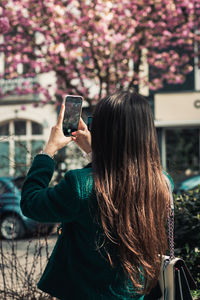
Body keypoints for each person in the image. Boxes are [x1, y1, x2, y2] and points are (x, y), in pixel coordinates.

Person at [20, 89, 172, 300]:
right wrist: (94, 155)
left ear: (103, 133)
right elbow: (117, 179)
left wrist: (48, 152)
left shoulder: (79, 185)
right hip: (137, 294)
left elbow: (31, 203)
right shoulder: (163, 183)